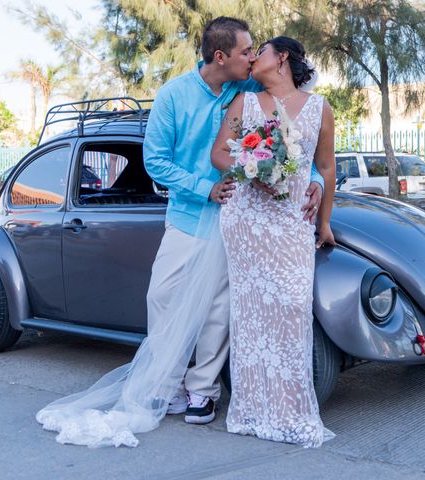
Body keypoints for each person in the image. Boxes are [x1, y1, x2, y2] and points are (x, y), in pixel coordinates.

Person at [35, 17, 324, 448]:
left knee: (218, 308)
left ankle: (202, 392)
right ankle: (165, 384)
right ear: (221, 57)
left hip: (239, 219)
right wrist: (204, 187)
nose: (252, 57)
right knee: (163, 294)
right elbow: (155, 161)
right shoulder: (174, 96)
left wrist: (316, 177)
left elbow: (295, 136)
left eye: (255, 52)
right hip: (190, 215)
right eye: (246, 51)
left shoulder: (247, 90)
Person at [211, 36, 336, 448]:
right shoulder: (243, 104)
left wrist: (325, 222)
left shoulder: (320, 108)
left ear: (281, 57)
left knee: (292, 306)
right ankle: (250, 411)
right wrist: (253, 169)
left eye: (259, 51)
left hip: (292, 222)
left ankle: (289, 411)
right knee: (250, 319)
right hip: (247, 221)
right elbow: (219, 155)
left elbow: (325, 168)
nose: (252, 59)